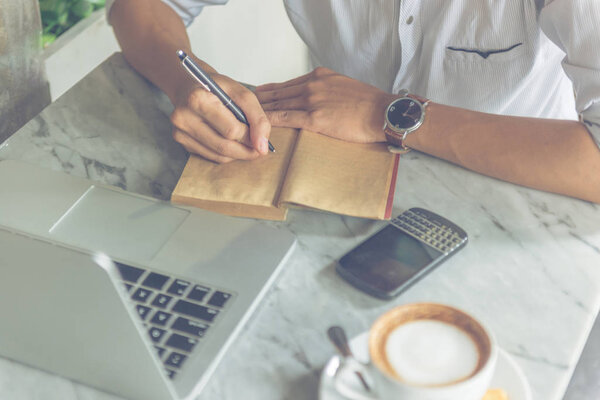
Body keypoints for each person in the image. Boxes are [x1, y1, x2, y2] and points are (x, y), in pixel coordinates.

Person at [106, 0, 600, 203]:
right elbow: (143, 7)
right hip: (337, 188)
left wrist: (383, 113)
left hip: (524, 192)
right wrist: (189, 82)